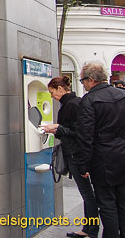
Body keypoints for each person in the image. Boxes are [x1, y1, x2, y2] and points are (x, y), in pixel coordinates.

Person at [40, 76, 99, 238]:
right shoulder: (74, 103)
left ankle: (90, 230)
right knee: (88, 194)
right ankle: (88, 229)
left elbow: (78, 132)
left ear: (60, 89)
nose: (51, 96)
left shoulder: (71, 105)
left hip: (76, 154)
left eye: (52, 92)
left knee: (87, 194)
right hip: (78, 152)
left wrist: (57, 129)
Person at [77, 61, 125, 238]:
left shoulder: (89, 101)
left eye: (82, 81)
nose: (83, 84)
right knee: (122, 204)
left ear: (91, 80)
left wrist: (83, 166)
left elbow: (85, 137)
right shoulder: (122, 95)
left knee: (107, 205)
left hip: (102, 161)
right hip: (122, 156)